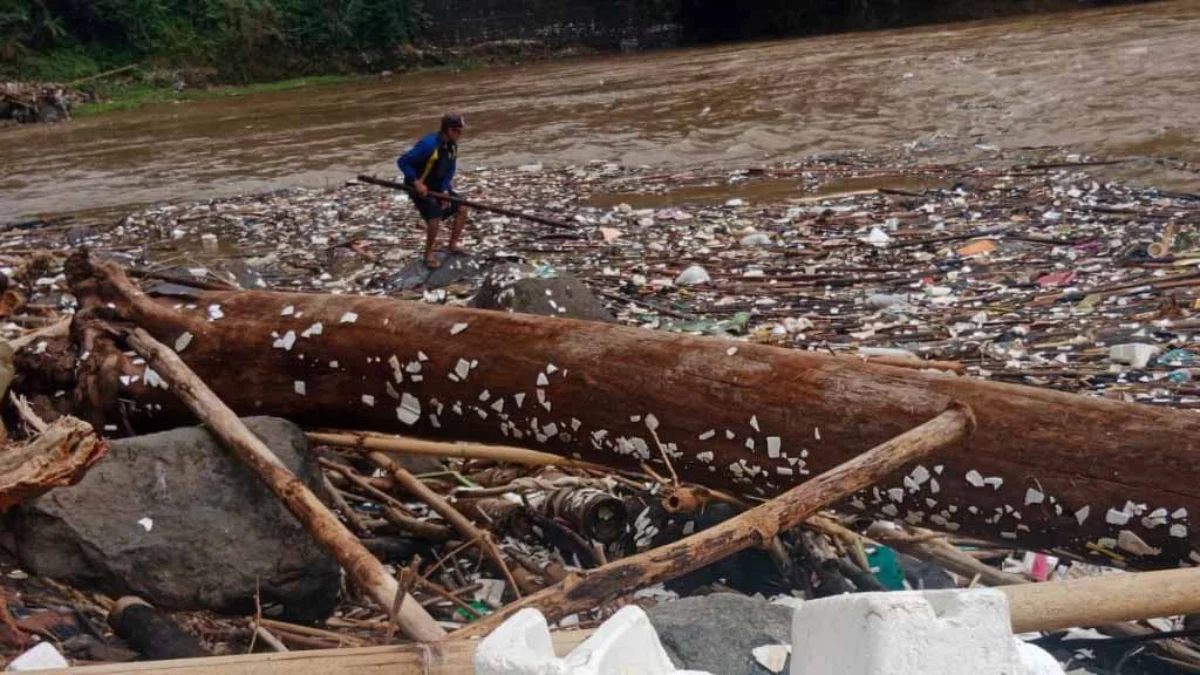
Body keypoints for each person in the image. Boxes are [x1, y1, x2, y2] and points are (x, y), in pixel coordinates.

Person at [397, 113, 469, 269]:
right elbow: (403, 161)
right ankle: (428, 254)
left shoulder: (452, 146)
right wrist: (416, 182)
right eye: (458, 131)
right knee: (434, 217)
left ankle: (452, 245)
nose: (460, 134)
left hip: (437, 186)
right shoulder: (429, 145)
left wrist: (444, 191)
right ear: (449, 130)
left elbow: (449, 169)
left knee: (462, 208)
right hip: (418, 185)